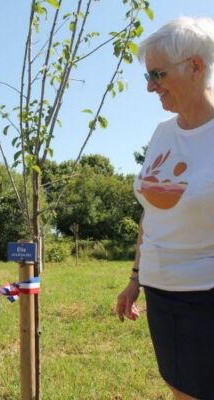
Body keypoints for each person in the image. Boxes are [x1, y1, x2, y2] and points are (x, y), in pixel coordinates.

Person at [116, 16, 214, 400]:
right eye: (146, 77)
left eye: (157, 74)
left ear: (195, 66)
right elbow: (151, 213)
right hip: (162, 290)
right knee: (179, 387)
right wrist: (136, 277)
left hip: (206, 292)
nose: (150, 87)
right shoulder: (162, 133)